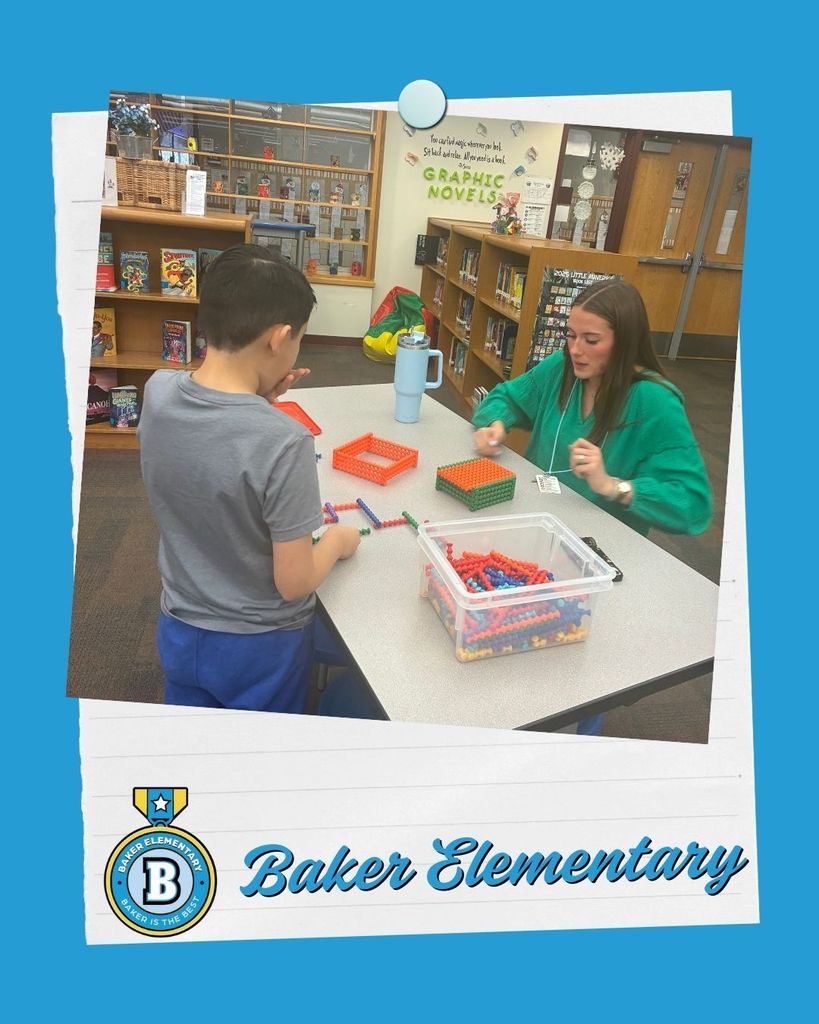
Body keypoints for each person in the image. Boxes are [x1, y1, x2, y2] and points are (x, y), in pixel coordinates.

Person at [138, 245, 361, 713]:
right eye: (300, 339)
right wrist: (336, 542)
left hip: (179, 626)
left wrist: (260, 401)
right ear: (279, 339)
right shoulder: (285, 442)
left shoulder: (156, 391)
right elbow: (294, 582)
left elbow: (213, 451)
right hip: (261, 647)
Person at [472, 279, 712, 538]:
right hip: (534, 522)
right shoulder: (561, 366)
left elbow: (693, 505)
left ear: (624, 343)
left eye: (591, 340)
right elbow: (506, 397)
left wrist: (612, 486)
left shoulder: (656, 401)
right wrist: (496, 425)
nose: (575, 350)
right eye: (571, 335)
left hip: (595, 544)